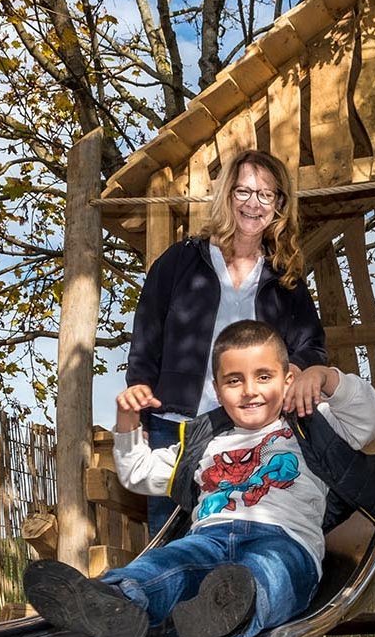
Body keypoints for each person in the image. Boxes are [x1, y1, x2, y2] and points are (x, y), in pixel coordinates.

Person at [24, 320, 375, 637]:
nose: (250, 391)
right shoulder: (204, 441)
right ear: (217, 390)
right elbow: (138, 473)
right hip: (207, 539)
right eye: (235, 381)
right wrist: (127, 421)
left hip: (284, 540)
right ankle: (116, 603)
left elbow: (372, 417)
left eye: (264, 376)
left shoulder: (315, 424)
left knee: (272, 575)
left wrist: (326, 377)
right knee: (167, 565)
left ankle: (229, 614)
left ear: (287, 380)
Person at [122, 148, 327, 535]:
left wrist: (295, 375)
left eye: (267, 195)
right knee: (167, 540)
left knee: (235, 538)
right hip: (177, 427)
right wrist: (141, 416)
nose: (254, 204)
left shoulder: (285, 280)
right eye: (244, 191)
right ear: (226, 195)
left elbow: (312, 346)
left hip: (249, 432)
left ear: (279, 205)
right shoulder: (179, 262)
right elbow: (146, 343)